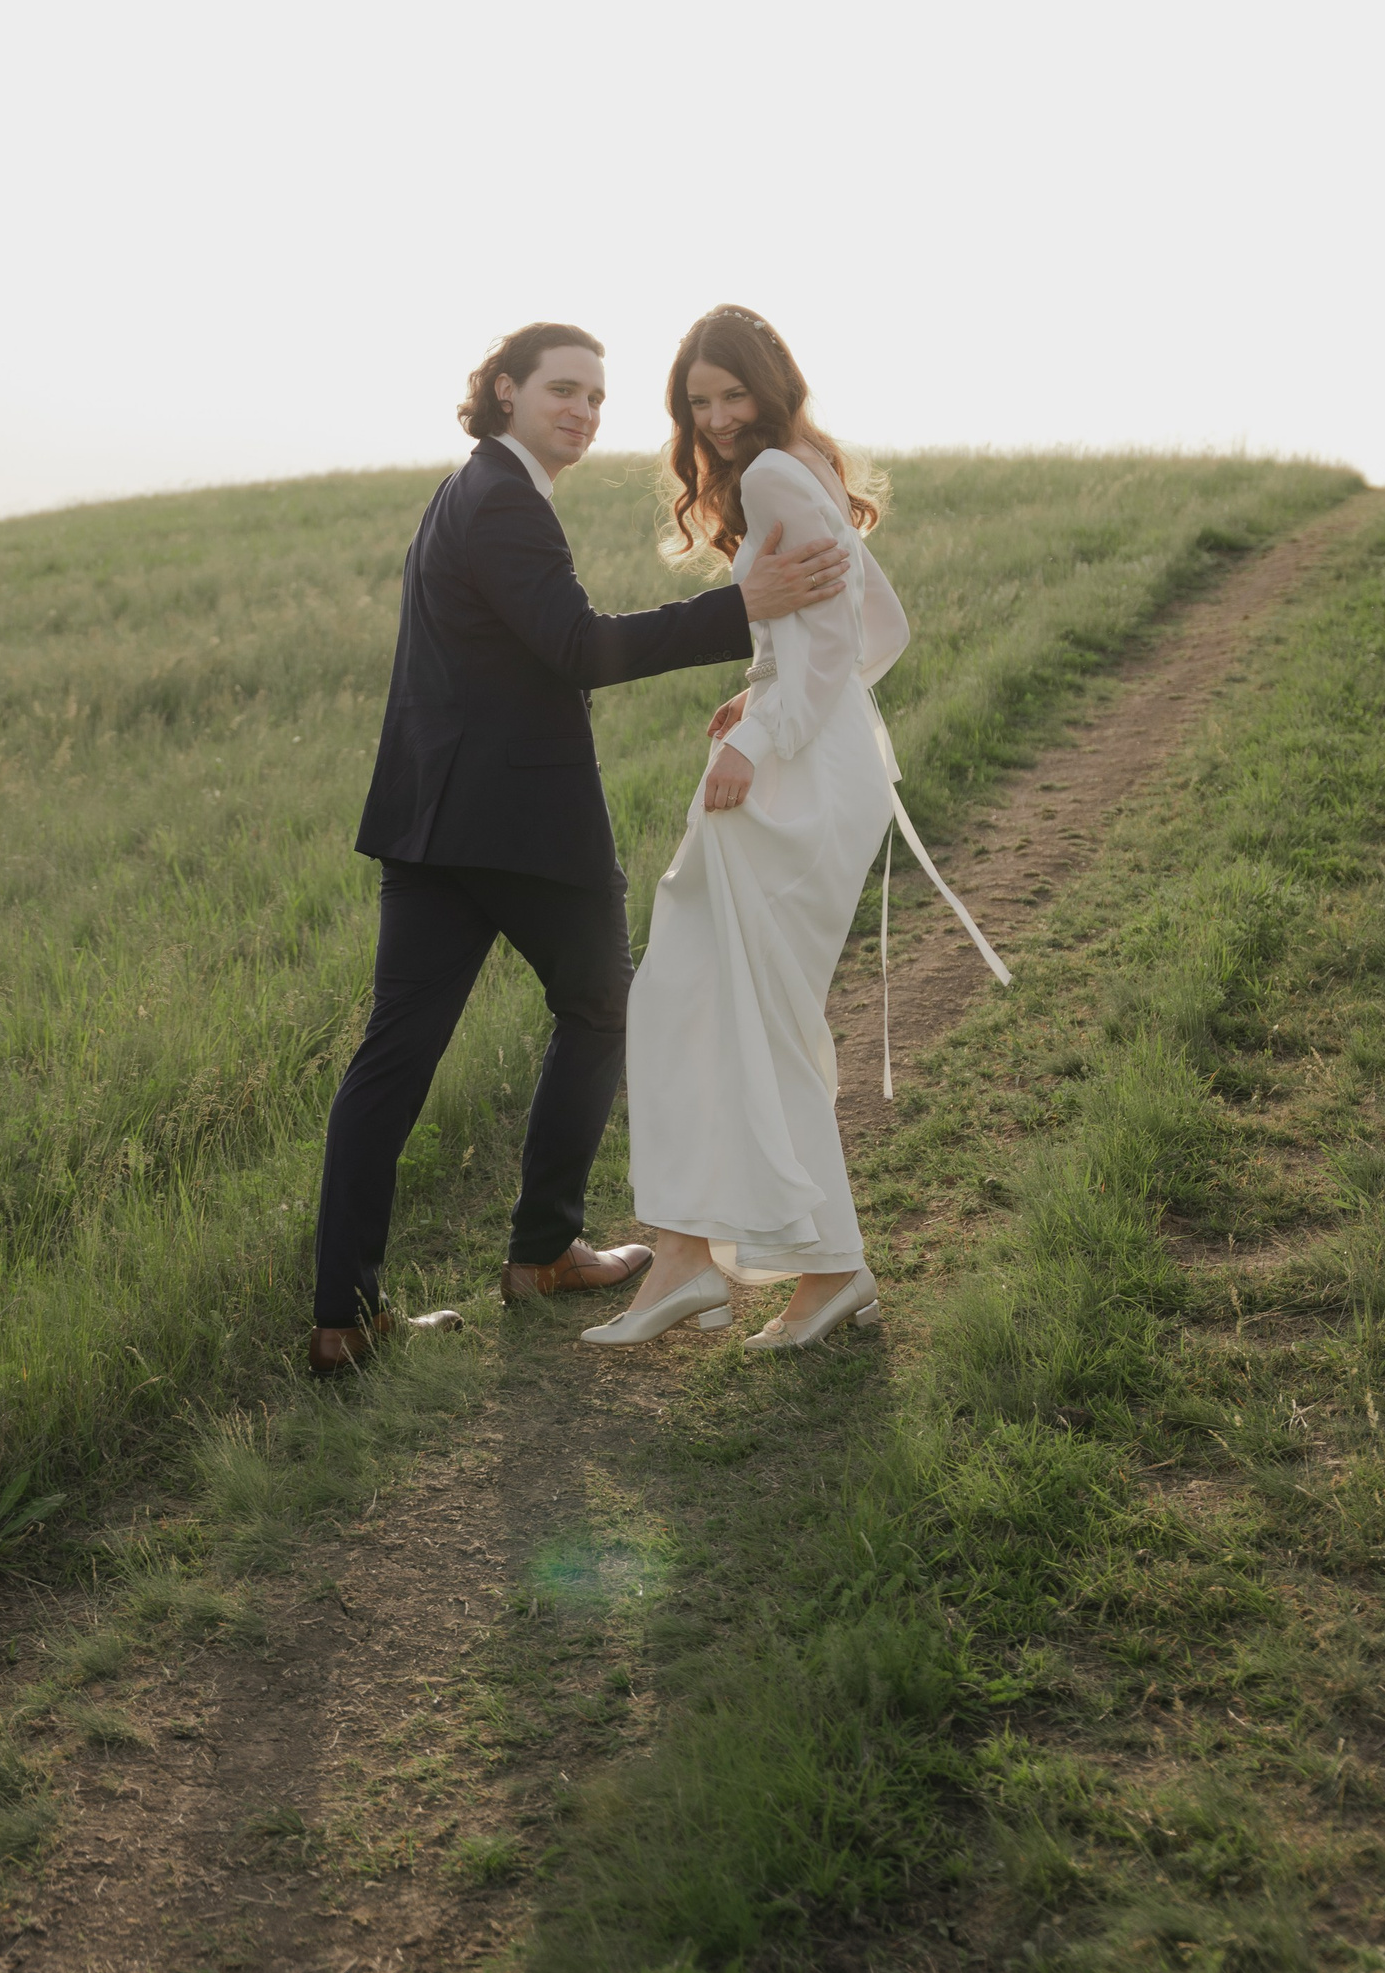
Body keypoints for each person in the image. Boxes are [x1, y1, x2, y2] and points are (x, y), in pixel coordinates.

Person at [308, 319, 853, 1376]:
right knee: (604, 1009)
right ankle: (545, 1251)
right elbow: (578, 647)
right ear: (505, 391)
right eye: (563, 389)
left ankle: (345, 1319)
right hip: (523, 827)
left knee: (395, 1058)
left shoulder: (465, 492)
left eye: (598, 397)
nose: (584, 411)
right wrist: (740, 610)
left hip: (429, 825)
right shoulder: (503, 499)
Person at [582, 305, 1009, 1358]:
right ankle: (771, 1266)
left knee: (708, 1001)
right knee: (728, 1005)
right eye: (700, 402)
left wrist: (763, 730)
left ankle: (727, 1266)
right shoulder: (804, 463)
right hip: (822, 761)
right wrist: (766, 685)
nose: (719, 418)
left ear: (772, 385)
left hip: (793, 774)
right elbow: (872, 630)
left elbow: (836, 642)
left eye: (735, 394)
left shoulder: (776, 473)